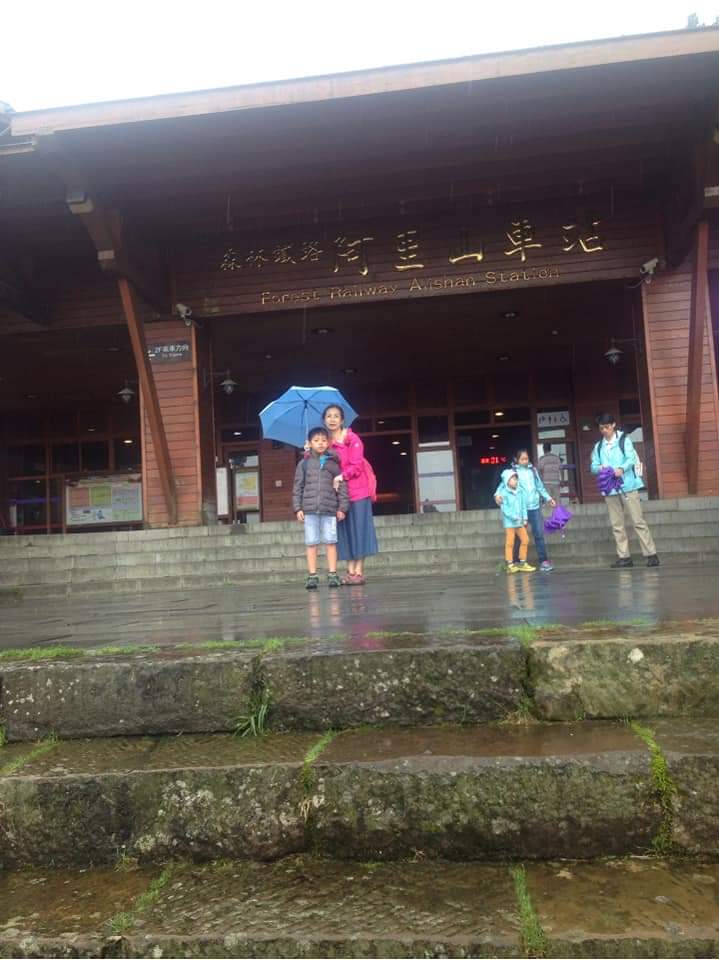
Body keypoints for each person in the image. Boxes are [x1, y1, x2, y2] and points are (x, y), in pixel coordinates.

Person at [590, 413, 659, 568]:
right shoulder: (598, 446)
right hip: (609, 489)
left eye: (607, 427)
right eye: (601, 428)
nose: (604, 431)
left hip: (627, 486)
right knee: (617, 524)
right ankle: (624, 557)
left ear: (613, 425)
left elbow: (631, 459)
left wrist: (622, 468)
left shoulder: (624, 440)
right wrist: (599, 468)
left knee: (638, 520)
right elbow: (593, 466)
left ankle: (651, 554)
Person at [323, 404, 379, 585]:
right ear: (324, 420)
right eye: (329, 416)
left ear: (342, 420)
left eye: (336, 416)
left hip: (358, 491)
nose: (332, 419)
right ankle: (349, 571)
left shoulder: (352, 438)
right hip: (340, 495)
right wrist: (309, 452)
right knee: (345, 532)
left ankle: (358, 572)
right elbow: (320, 465)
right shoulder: (325, 442)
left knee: (359, 530)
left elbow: (356, 465)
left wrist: (342, 475)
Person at [292, 426, 349, 589]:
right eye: (316, 440)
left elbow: (342, 487)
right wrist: (298, 508)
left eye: (324, 440)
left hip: (330, 510)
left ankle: (332, 574)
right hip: (309, 510)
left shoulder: (333, 464)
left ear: (329, 443)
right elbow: (298, 487)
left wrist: (342, 508)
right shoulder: (303, 464)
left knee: (331, 542)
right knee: (311, 543)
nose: (320, 443)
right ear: (309, 443)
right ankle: (312, 575)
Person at [495, 448, 556, 572]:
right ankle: (516, 562)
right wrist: (497, 495)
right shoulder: (513, 472)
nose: (524, 461)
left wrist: (549, 498)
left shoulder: (533, 471)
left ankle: (543, 561)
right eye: (522, 459)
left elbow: (540, 487)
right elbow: (502, 486)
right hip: (519, 509)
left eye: (526, 459)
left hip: (535, 507)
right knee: (518, 536)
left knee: (538, 533)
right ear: (517, 460)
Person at [496, 467, 535, 573]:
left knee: (525, 539)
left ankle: (522, 562)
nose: (515, 481)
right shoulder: (503, 493)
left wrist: (525, 518)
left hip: (519, 522)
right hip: (509, 523)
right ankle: (510, 564)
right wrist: (513, 516)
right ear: (507, 481)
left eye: (516, 479)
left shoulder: (520, 491)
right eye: (513, 479)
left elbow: (523, 506)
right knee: (510, 543)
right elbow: (504, 509)